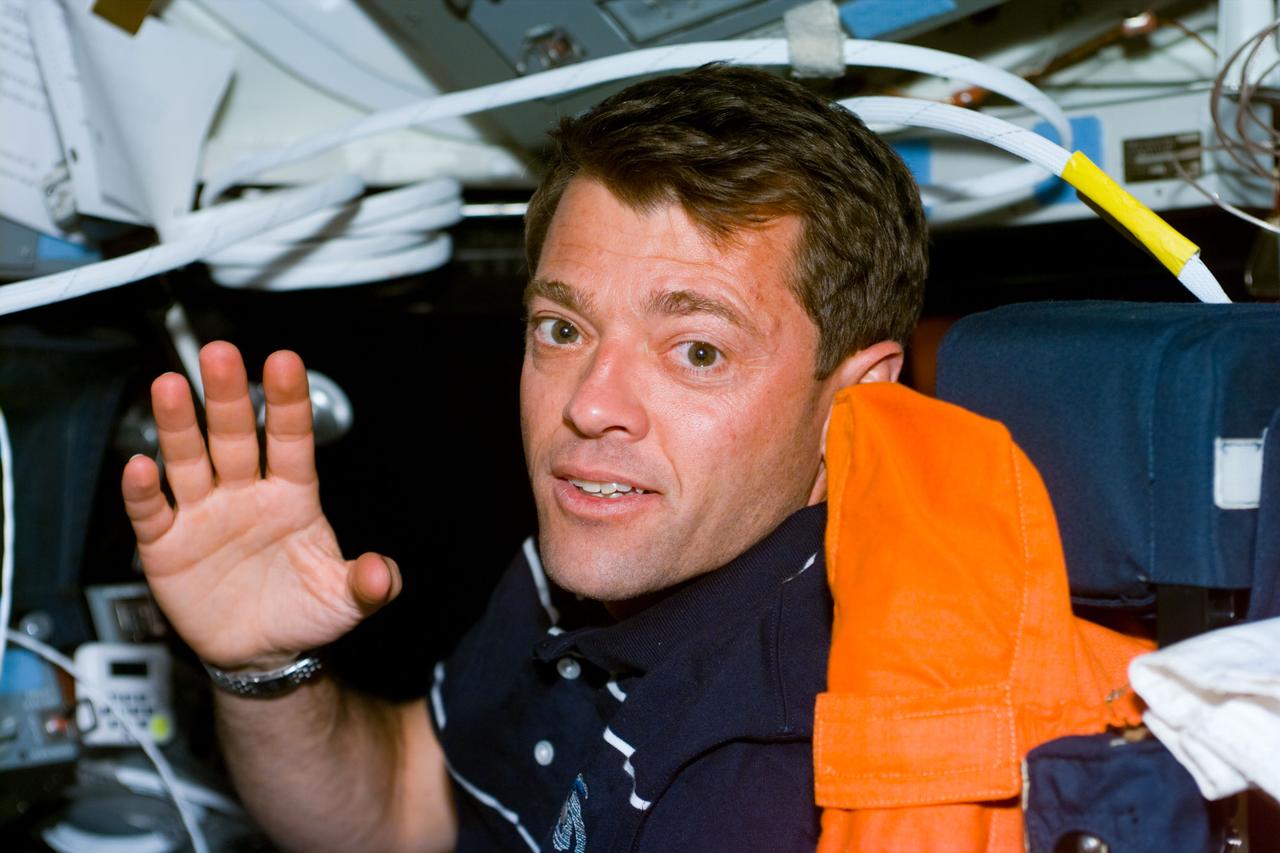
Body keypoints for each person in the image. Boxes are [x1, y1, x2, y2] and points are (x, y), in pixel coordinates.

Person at [121, 65, 927, 852]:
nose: (589, 405)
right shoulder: (611, 552)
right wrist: (264, 667)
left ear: (857, 401)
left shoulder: (789, 762)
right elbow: (402, 803)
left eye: (699, 351)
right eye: (563, 329)